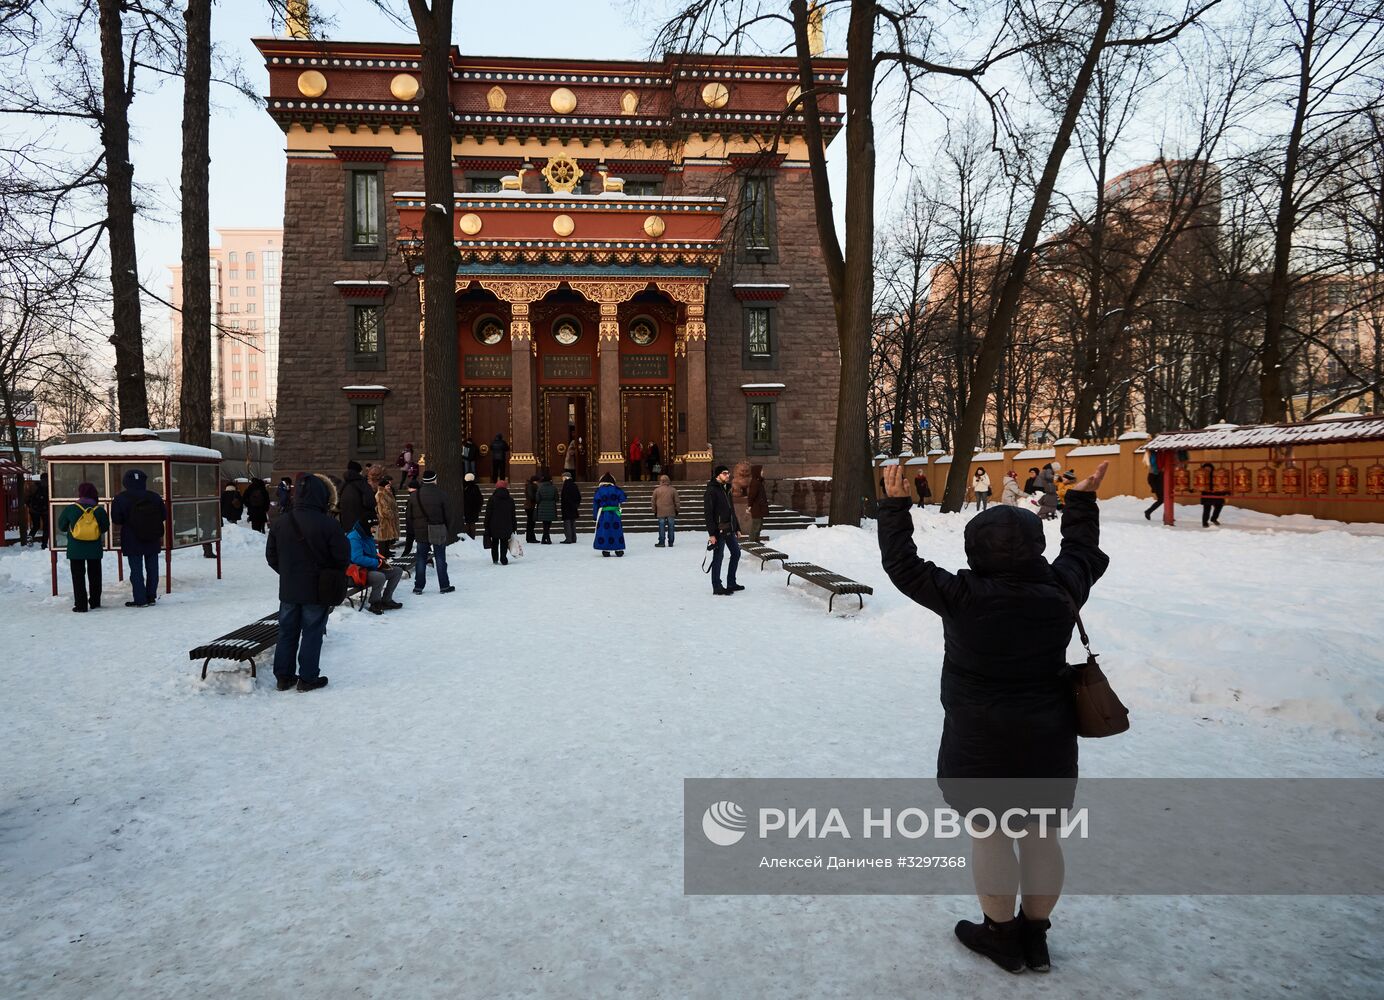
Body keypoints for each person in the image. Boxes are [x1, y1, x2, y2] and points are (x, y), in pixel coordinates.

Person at [877, 460, 1111, 975]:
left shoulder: (963, 596)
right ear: (1036, 548)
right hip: (1048, 734)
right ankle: (1036, 937)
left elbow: (903, 565)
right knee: (1041, 834)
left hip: (979, 736)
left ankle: (1001, 935)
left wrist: (895, 508)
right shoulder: (1061, 590)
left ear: (972, 550)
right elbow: (1082, 553)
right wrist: (1083, 503)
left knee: (991, 833)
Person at [266, 473, 350, 692]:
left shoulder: (280, 522)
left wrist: (288, 573)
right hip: (317, 589)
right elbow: (342, 558)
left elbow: (271, 556)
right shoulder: (329, 525)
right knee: (312, 632)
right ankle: (308, 678)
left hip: (289, 589)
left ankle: (283, 677)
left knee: (286, 632)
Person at [110, 469, 166, 608]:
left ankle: (140, 599)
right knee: (152, 568)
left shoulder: (120, 498)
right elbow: (163, 515)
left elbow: (116, 519)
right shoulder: (154, 497)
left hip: (131, 537)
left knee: (136, 570)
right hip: (152, 537)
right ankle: (151, 596)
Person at [56, 482, 109, 613]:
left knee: (78, 576)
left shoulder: (71, 509)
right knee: (95, 575)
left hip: (76, 549)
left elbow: (62, 526)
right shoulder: (99, 510)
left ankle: (81, 605)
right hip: (94, 549)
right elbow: (105, 527)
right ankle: (95, 602)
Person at [409, 469, 455, 594]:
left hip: (420, 531)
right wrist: (447, 529)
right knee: (440, 558)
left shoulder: (414, 496)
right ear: (434, 479)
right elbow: (449, 515)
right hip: (438, 528)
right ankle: (444, 586)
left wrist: (413, 531)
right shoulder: (442, 494)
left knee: (421, 559)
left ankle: (418, 586)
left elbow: (409, 517)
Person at [348, 519, 404, 615]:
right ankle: (375, 603)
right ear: (366, 526)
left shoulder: (367, 535)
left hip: (370, 568)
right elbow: (357, 558)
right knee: (379, 577)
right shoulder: (354, 537)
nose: (375, 530)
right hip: (358, 572)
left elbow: (372, 553)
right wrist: (377, 562)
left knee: (397, 571)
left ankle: (387, 600)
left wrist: (381, 559)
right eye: (373, 527)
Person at [704, 464, 742, 595]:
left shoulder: (726, 489)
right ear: (718, 475)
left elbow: (732, 510)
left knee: (736, 553)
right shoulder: (711, 490)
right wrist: (711, 533)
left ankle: (731, 582)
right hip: (719, 530)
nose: (728, 475)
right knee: (718, 557)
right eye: (725, 473)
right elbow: (708, 514)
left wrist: (737, 527)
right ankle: (717, 586)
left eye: (728, 473)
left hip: (729, 528)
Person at [483, 478, 517, 565]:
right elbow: (513, 514)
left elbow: (488, 513)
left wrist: (486, 524)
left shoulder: (492, 499)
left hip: (494, 525)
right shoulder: (510, 500)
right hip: (506, 524)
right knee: (504, 542)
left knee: (495, 542)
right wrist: (514, 526)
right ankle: (503, 558)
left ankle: (495, 559)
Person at [592, 472, 627, 557]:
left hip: (604, 514)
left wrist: (595, 515)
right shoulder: (616, 489)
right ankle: (618, 549)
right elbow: (623, 498)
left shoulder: (599, 490)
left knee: (605, 530)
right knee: (616, 530)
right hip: (615, 513)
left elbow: (595, 503)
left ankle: (606, 549)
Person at [339, 460, 377, 533]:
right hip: (361, 525)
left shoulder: (343, 485)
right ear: (359, 472)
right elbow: (370, 503)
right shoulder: (363, 484)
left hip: (346, 525)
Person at [373, 472, 399, 559]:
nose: (389, 487)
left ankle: (386, 553)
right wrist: (391, 515)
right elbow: (383, 509)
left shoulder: (386, 493)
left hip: (387, 520)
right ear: (383, 487)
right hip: (383, 520)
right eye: (387, 486)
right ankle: (383, 555)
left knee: (387, 537)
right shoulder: (381, 494)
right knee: (383, 539)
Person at [652, 473, 679, 547]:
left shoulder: (657, 490)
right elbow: (677, 501)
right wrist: (677, 509)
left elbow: (653, 502)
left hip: (660, 511)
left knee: (661, 527)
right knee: (671, 527)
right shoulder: (673, 490)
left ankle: (661, 542)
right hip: (671, 511)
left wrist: (654, 511)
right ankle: (671, 542)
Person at [746, 464, 771, 542]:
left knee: (759, 526)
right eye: (761, 471)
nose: (763, 472)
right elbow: (751, 495)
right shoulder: (755, 483)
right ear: (757, 472)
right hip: (757, 508)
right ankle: (752, 542)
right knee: (756, 526)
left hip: (759, 508)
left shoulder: (758, 482)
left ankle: (756, 541)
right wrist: (749, 505)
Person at [534, 470, 557, 544]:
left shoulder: (540, 488)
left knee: (544, 524)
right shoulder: (553, 488)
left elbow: (537, 499)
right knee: (548, 524)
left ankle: (545, 539)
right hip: (551, 507)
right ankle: (546, 539)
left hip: (542, 507)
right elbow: (557, 498)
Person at [1200, 462, 1226, 527]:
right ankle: (1205, 522)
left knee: (1219, 505)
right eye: (1206, 469)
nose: (1208, 470)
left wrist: (1225, 492)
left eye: (1209, 468)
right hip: (1206, 494)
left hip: (1216, 493)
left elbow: (1221, 484)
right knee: (1207, 508)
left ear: (1212, 469)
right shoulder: (1202, 476)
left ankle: (1214, 519)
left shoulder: (1216, 475)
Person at [26, 473, 49, 547]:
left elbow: (26, 497)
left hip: (34, 510)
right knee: (46, 527)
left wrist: (30, 505)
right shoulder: (50, 485)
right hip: (46, 510)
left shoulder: (34, 486)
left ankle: (30, 536)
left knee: (36, 525)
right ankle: (44, 544)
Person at [399, 477, 419, 559]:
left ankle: (403, 557)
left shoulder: (412, 497)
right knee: (422, 545)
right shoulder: (417, 496)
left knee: (409, 544)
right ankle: (429, 560)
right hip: (417, 524)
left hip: (413, 524)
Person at [560, 472, 581, 544]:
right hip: (573, 507)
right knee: (572, 523)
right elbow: (579, 496)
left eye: (562, 477)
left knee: (567, 523)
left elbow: (565, 497)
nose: (562, 479)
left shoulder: (565, 485)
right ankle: (573, 538)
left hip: (566, 507)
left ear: (566, 477)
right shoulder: (574, 485)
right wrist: (576, 505)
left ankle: (568, 538)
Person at [462, 472, 483, 538]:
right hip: (474, 509)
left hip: (466, 508)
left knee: (468, 523)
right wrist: (478, 508)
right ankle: (472, 537)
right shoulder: (475, 487)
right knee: (472, 523)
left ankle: (468, 537)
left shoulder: (464, 487)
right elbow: (480, 499)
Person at [524, 473, 539, 544]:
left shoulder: (530, 485)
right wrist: (537, 498)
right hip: (530, 506)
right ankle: (530, 538)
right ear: (534, 481)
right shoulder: (531, 486)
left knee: (530, 523)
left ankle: (530, 537)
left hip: (529, 506)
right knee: (531, 523)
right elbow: (531, 496)